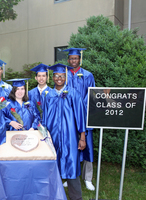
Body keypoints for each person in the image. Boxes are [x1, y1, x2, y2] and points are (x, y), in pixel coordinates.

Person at [42, 63, 86, 200]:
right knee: (52, 166)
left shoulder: (73, 93)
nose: (59, 78)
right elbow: (44, 117)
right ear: (53, 77)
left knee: (72, 165)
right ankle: (52, 195)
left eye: (62, 76)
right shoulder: (48, 94)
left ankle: (76, 197)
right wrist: (44, 137)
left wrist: (82, 137)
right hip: (52, 136)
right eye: (56, 76)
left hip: (70, 137)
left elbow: (80, 117)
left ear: (66, 77)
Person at [63, 47, 96, 191]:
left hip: (84, 115)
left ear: (80, 59)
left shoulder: (88, 75)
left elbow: (92, 95)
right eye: (71, 58)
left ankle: (88, 178)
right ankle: (69, 175)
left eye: (75, 58)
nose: (73, 60)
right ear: (68, 60)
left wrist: (81, 108)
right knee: (70, 146)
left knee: (87, 146)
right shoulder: (63, 75)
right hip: (69, 116)